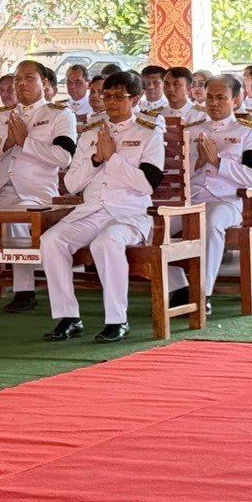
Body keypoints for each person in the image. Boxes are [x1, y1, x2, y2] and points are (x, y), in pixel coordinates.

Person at [40, 71, 165, 343]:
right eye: (107, 96)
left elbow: (147, 184)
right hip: (92, 211)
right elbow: (71, 184)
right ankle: (69, 317)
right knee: (51, 240)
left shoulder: (148, 133)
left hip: (129, 214)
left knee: (106, 242)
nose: (111, 102)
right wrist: (97, 159)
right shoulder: (90, 133)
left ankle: (117, 320)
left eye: (119, 96)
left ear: (136, 99)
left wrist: (113, 159)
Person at [0, 59, 77, 314]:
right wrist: (8, 143)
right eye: (18, 79)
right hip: (0, 190)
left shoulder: (58, 115)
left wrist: (25, 142)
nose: (21, 84)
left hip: (37, 193)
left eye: (29, 78)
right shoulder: (1, 117)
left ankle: (24, 290)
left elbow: (64, 157)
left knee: (16, 217)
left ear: (44, 83)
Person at [188, 76, 252, 300]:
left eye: (221, 98)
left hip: (227, 200)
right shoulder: (192, 131)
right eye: (210, 97)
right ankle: (178, 286)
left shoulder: (247, 132)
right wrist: (199, 162)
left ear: (236, 100)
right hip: (193, 198)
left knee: (211, 222)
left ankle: (202, 295)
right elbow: (177, 173)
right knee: (153, 225)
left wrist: (218, 162)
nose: (213, 103)